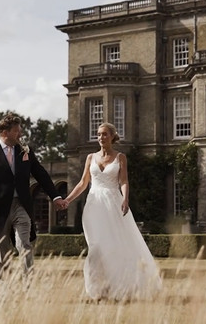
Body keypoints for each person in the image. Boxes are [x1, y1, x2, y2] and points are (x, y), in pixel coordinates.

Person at [64, 123, 162, 300]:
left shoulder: (120, 157)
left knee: (115, 245)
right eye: (99, 134)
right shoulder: (90, 157)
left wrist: (125, 199)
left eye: (105, 134)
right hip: (93, 206)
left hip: (113, 204)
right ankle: (97, 289)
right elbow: (82, 183)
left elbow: (124, 181)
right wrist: (68, 200)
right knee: (96, 247)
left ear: (112, 136)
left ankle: (120, 286)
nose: (101, 137)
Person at [0, 113, 66, 278]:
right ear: (5, 132)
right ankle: (4, 286)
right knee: (3, 248)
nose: (20, 134)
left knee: (25, 245)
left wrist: (55, 196)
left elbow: (41, 174)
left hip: (22, 206)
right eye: (16, 131)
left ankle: (27, 284)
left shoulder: (24, 151)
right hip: (0, 208)